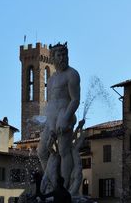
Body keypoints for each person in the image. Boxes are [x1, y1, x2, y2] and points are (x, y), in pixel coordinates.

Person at [37, 42, 80, 189]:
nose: (63, 58)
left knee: (63, 151)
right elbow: (50, 103)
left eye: (65, 55)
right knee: (42, 151)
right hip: (51, 119)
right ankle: (52, 182)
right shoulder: (51, 79)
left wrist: (66, 117)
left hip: (64, 117)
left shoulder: (72, 74)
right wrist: (44, 121)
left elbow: (75, 100)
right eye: (59, 55)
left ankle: (64, 187)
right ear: (52, 58)